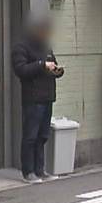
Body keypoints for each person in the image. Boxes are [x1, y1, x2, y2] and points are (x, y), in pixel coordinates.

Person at [11, 15, 63, 183]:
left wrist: (57, 70)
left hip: (47, 96)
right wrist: (41, 65)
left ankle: (40, 170)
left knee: (43, 136)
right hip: (33, 98)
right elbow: (21, 70)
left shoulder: (46, 47)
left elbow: (52, 64)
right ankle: (28, 171)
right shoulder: (21, 47)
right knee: (30, 136)